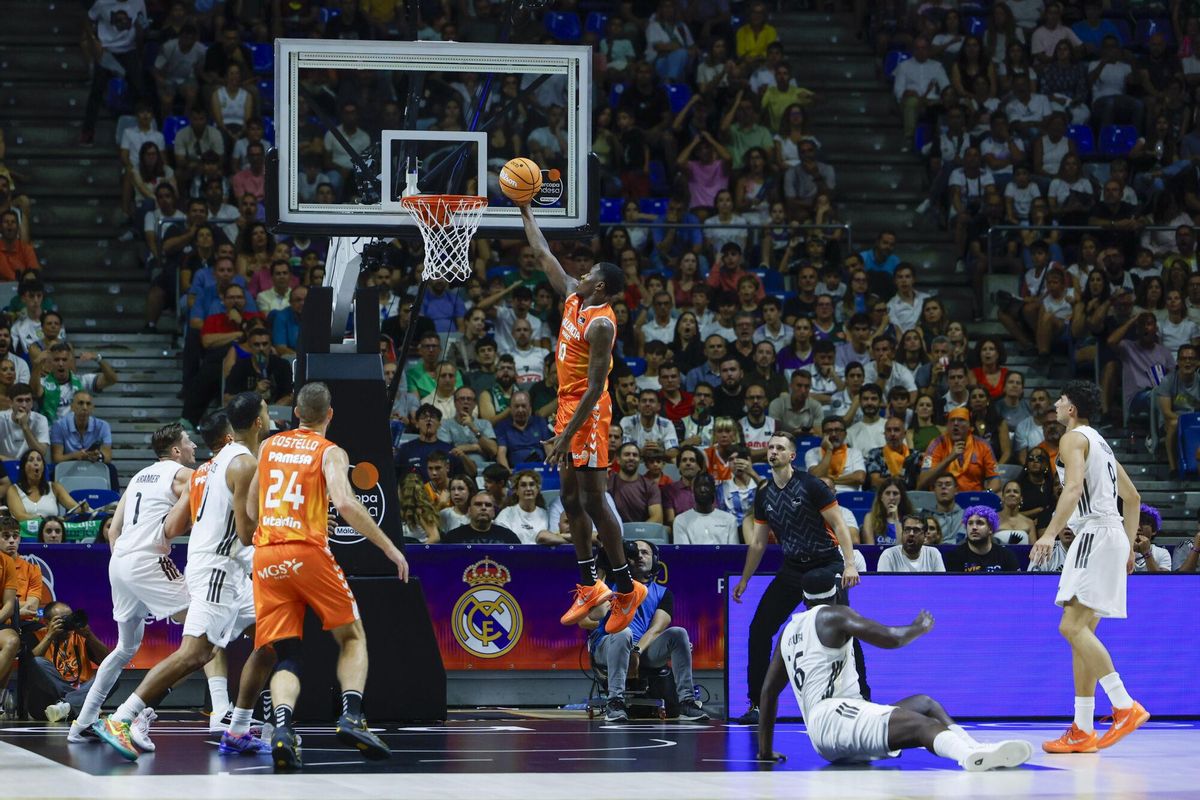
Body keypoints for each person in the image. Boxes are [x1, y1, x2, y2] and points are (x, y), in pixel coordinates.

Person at [244, 382, 408, 771]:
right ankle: (351, 714)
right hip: (307, 552)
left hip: (266, 556)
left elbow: (251, 507)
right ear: (329, 415)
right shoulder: (330, 451)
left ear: (296, 413)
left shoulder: (268, 447)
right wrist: (388, 547)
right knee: (352, 636)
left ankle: (282, 728)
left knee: (286, 653)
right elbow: (347, 504)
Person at [756, 569, 1033, 770]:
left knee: (924, 704)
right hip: (836, 715)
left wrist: (765, 752)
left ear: (804, 600)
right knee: (921, 726)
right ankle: (968, 757)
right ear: (838, 593)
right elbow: (891, 637)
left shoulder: (787, 632)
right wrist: (919, 627)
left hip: (825, 735)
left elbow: (768, 692)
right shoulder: (836, 614)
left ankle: (974, 747)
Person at [519, 204, 646, 634]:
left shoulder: (602, 326)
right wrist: (523, 208)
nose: (583, 272)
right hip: (566, 407)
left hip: (589, 413)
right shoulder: (574, 294)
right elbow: (544, 256)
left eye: (590, 272)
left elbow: (595, 389)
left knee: (593, 499)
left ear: (603, 288)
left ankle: (627, 588)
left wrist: (563, 436)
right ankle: (591, 583)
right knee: (571, 501)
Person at [1030, 381, 1149, 754]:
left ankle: (1124, 705)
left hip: (1094, 533)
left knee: (1070, 626)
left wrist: (1049, 534)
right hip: (1111, 534)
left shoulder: (1072, 439)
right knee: (1082, 634)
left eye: (1061, 400)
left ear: (1072, 408)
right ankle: (1082, 728)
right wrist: (1127, 546)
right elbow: (1133, 498)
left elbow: (1074, 487)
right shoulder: (1100, 441)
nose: (1055, 403)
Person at [73, 425, 195, 747]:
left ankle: (83, 722)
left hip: (120, 560)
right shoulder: (181, 474)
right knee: (203, 627)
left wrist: (126, 564)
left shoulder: (140, 476)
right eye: (188, 442)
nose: (193, 445)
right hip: (147, 559)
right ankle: (137, 715)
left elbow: (113, 530)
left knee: (125, 647)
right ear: (176, 451)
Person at [732, 432, 862, 724]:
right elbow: (758, 543)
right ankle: (758, 705)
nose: (773, 452)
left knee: (843, 628)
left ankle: (861, 697)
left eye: (780, 448)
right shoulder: (764, 495)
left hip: (827, 564)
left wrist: (850, 564)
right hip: (793, 569)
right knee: (759, 629)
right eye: (770, 448)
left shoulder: (811, 485)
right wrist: (745, 580)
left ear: (792, 456)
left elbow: (840, 526)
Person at [581, 539, 709, 722]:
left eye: (645, 553)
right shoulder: (611, 582)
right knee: (623, 632)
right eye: (634, 553)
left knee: (678, 633)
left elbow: (656, 629)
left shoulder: (663, 593)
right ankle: (615, 702)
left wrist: (636, 652)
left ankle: (686, 702)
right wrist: (606, 561)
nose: (639, 556)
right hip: (608, 645)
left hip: (642, 649)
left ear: (655, 560)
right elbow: (593, 612)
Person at [28, 600, 111, 723]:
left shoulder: (80, 636)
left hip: (74, 695)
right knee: (38, 662)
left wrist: (89, 635)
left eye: (69, 618)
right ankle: (78, 704)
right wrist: (49, 636)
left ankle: (67, 706)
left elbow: (108, 661)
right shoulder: (37, 636)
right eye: (61, 620)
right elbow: (29, 667)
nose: (67, 624)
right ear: (46, 622)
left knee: (111, 672)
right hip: (50, 700)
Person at [943, 505, 1021, 572]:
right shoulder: (955, 557)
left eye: (980, 523)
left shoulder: (1006, 556)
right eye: (970, 523)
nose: (974, 527)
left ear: (990, 529)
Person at [672, 473, 739, 545]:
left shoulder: (730, 520)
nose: (702, 489)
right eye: (698, 486)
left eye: (706, 486)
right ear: (693, 491)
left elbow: (733, 553)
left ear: (713, 490)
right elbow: (683, 553)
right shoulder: (681, 520)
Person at [443, 491, 521, 544]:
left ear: (494, 512)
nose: (483, 508)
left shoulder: (508, 537)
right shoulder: (453, 537)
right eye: (478, 504)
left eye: (488, 505)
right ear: (469, 510)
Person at [877, 515, 947, 572]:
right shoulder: (888, 555)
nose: (911, 534)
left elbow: (941, 585)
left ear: (925, 535)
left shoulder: (933, 554)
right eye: (907, 530)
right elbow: (884, 587)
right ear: (902, 533)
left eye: (916, 530)